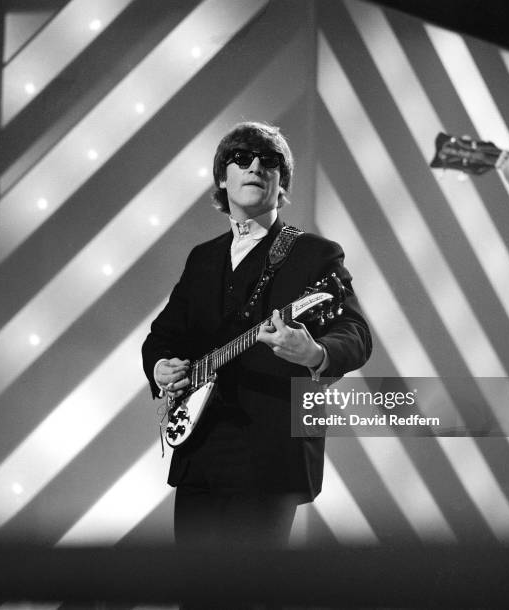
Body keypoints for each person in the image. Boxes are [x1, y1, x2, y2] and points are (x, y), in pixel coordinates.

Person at [142, 121, 372, 552]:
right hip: (200, 452)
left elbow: (356, 334)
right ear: (221, 179)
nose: (256, 167)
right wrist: (161, 366)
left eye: (270, 162)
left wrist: (316, 353)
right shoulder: (203, 259)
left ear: (281, 182)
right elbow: (162, 336)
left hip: (270, 457)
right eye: (242, 159)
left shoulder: (315, 254)